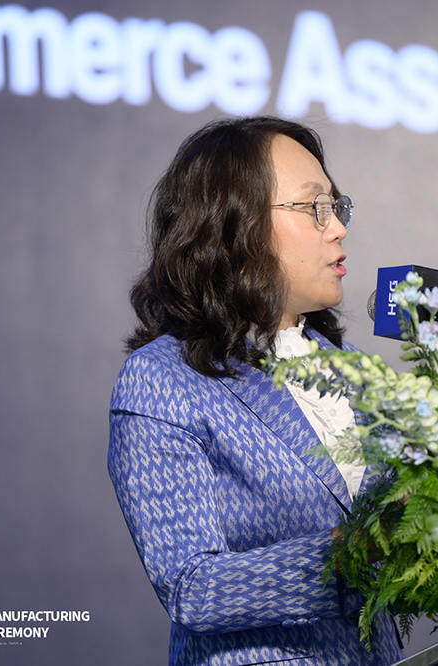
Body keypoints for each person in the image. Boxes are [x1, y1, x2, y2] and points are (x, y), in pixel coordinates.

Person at [108, 116, 403, 665]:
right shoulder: (164, 379)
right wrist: (352, 555)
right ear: (232, 224)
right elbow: (191, 586)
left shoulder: (359, 372)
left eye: (337, 206)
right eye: (315, 207)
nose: (338, 227)